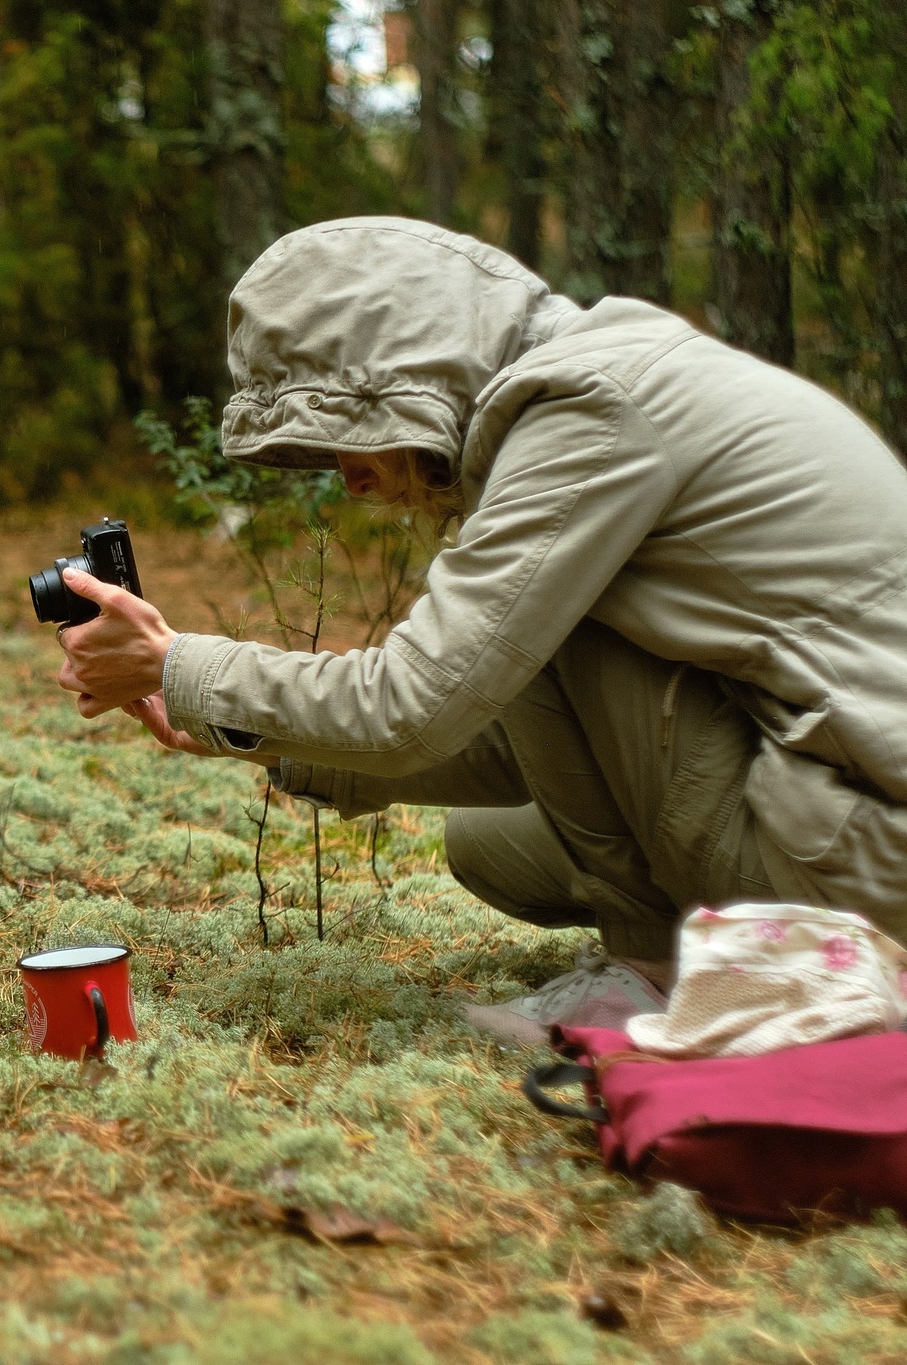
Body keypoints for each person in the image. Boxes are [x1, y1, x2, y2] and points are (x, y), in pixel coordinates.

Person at [54, 216, 907, 1046]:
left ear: (407, 371)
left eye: (347, 431)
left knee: (549, 617)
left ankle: (652, 975)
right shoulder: (601, 380)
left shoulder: (588, 405)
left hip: (872, 850)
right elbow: (514, 739)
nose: (348, 478)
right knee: (492, 847)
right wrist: (255, 737)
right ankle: (688, 958)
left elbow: (416, 706)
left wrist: (179, 666)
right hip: (841, 813)